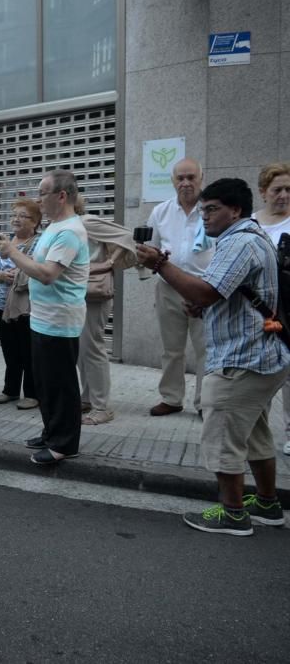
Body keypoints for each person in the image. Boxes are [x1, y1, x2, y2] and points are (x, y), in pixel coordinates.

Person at [136, 178, 290, 536]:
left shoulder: (238, 242)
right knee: (255, 434)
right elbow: (223, 293)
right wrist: (204, 307)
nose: (204, 216)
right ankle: (268, 503)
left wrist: (160, 263)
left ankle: (233, 514)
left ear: (235, 210)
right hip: (262, 355)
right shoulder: (250, 236)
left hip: (241, 358)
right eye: (203, 209)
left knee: (222, 436)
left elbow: (206, 290)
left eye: (211, 209)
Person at [0, 170, 89, 464]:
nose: (38, 200)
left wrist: (12, 252)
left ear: (61, 196)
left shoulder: (69, 231)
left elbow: (48, 274)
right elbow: (37, 265)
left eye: (42, 193)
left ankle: (64, 444)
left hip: (61, 320)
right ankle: (51, 433)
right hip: (43, 318)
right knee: (46, 383)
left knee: (61, 385)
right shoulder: (54, 227)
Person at [144, 158, 213, 417]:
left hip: (204, 289)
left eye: (191, 177)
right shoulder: (160, 212)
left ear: (201, 178)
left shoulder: (211, 209)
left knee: (206, 349)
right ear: (173, 181)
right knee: (171, 348)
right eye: (180, 178)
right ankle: (172, 398)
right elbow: (150, 247)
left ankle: (205, 403)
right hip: (168, 288)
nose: (185, 183)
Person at [77, 202, 139, 425]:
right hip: (78, 294)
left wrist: (108, 263)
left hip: (94, 293)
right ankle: (87, 398)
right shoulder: (68, 225)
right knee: (83, 350)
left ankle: (101, 407)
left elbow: (127, 236)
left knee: (92, 348)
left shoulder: (86, 221)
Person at [0, 200, 40, 409]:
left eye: (22, 215)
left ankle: (33, 393)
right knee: (9, 350)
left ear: (35, 222)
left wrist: (18, 272)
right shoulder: (5, 242)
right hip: (2, 305)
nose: (15, 219)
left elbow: (37, 268)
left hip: (26, 307)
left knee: (28, 351)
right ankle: (11, 389)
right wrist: (0, 274)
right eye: (14, 214)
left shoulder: (38, 242)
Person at [251, 163, 290, 455]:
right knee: (258, 372)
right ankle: (256, 429)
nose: (284, 195)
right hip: (256, 311)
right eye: (278, 189)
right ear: (263, 192)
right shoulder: (251, 224)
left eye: (289, 190)